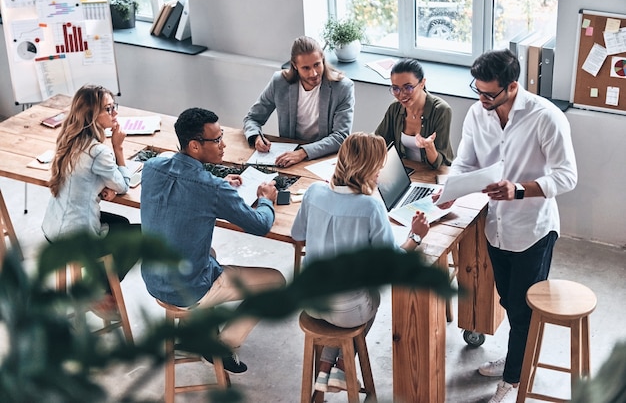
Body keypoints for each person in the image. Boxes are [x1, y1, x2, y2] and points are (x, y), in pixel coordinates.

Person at [446, 49, 577, 403]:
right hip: (496, 227)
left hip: (533, 228)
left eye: (490, 93)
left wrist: (518, 190)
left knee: (524, 309)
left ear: (512, 86)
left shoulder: (545, 117)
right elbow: (465, 161)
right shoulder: (478, 113)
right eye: (478, 90)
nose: (482, 99)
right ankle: (514, 360)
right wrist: (449, 192)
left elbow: (567, 177)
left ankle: (514, 377)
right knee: (508, 300)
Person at [140, 107, 286, 375]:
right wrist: (266, 198)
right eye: (217, 139)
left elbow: (185, 191)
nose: (223, 144)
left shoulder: (151, 168)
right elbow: (260, 225)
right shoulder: (212, 188)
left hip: (152, 278)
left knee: (208, 249)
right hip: (188, 288)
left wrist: (217, 181)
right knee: (276, 281)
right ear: (195, 145)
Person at [291, 132, 430, 393]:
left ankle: (324, 370)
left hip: (310, 301)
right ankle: (343, 367)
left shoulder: (313, 191)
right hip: (347, 312)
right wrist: (415, 238)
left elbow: (297, 235)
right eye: (379, 167)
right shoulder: (370, 207)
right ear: (367, 169)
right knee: (371, 296)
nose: (380, 173)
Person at [42, 84, 138, 318]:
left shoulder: (69, 139)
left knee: (123, 224)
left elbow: (85, 180)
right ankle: (101, 292)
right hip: (76, 235)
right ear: (92, 114)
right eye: (108, 109)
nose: (115, 113)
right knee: (139, 236)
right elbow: (123, 185)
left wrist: (103, 186)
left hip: (53, 227)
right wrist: (118, 148)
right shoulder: (99, 151)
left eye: (114, 107)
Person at [243, 36, 354, 168]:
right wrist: (256, 137)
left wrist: (303, 153)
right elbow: (252, 118)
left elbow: (341, 136)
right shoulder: (279, 82)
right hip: (288, 158)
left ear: (323, 60)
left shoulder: (342, 87)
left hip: (324, 158)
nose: (313, 73)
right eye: (306, 68)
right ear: (295, 66)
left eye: (317, 65)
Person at [375, 58, 454, 169]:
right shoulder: (395, 108)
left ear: (422, 83)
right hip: (405, 172)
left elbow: (438, 163)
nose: (401, 95)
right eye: (396, 88)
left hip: (434, 173)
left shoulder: (441, 110)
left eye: (408, 87)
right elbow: (378, 141)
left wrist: (429, 147)